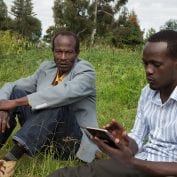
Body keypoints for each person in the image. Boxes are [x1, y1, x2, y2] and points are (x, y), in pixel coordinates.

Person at [47, 30, 177, 177]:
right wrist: (123, 143)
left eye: (156, 65)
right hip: (140, 164)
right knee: (63, 175)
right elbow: (138, 139)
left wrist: (133, 163)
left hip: (158, 169)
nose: (148, 70)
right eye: (145, 63)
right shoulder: (148, 92)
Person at [0, 31, 98, 176]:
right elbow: (12, 85)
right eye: (59, 52)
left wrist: (14, 103)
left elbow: (62, 93)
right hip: (43, 137)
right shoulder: (47, 68)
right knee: (16, 92)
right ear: (53, 52)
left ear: (77, 53)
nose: (63, 57)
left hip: (69, 142)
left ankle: (9, 160)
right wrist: (3, 106)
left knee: (53, 102)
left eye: (68, 52)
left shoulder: (85, 71)